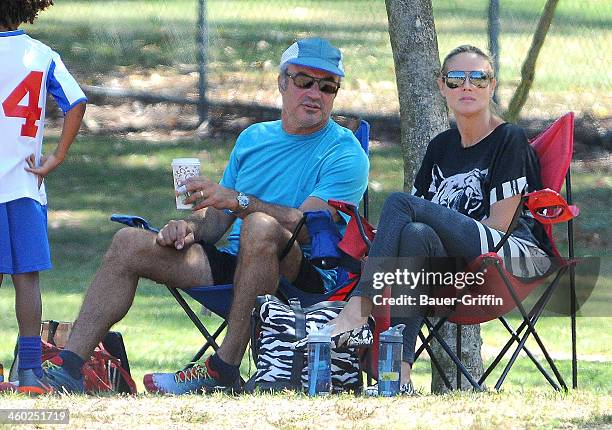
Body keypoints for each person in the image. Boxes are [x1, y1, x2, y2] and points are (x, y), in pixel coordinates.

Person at [41, 37, 369, 394]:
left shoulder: (345, 152)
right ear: (282, 82)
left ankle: (224, 368)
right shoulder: (253, 139)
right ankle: (69, 366)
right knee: (128, 242)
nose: (315, 93)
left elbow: (304, 229)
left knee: (260, 227)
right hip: (239, 264)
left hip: (304, 280)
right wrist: (187, 229)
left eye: (327, 86)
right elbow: (214, 228)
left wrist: (239, 201)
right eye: (305, 81)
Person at [329, 45, 553, 394]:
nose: (467, 86)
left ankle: (358, 308)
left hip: (507, 254)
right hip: (451, 265)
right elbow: (412, 228)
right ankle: (398, 378)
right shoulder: (441, 146)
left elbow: (500, 227)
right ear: (442, 86)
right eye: (456, 78)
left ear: (492, 86)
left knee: (401, 204)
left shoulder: (508, 139)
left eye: (478, 78)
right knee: (415, 234)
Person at [0, 0, 87, 394]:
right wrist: (58, 155)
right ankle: (31, 373)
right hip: (24, 185)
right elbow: (76, 101)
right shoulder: (41, 54)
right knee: (26, 278)